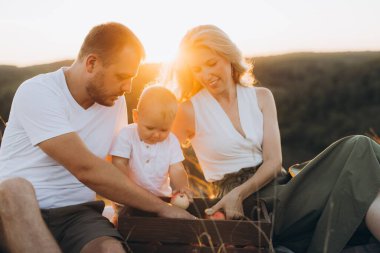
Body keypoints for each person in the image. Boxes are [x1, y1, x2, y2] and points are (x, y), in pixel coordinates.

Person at [166, 24, 380, 253]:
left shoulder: (261, 97)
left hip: (280, 186)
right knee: (362, 149)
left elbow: (273, 161)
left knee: (364, 170)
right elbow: (164, 155)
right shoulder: (189, 110)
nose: (206, 75)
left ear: (227, 56)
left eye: (211, 63)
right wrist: (178, 190)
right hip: (248, 205)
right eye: (197, 69)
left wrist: (240, 192)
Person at [0, 22, 194, 253]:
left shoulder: (114, 102)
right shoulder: (38, 91)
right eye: (122, 76)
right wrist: (162, 208)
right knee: (14, 188)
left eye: (132, 78)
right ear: (91, 63)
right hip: (17, 209)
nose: (128, 87)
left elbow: (116, 165)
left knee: (109, 249)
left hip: (78, 215)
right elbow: (85, 168)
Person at [110, 85, 193, 217]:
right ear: (136, 117)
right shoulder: (127, 135)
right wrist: (128, 189)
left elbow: (177, 168)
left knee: (158, 229)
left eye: (163, 130)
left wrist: (182, 187)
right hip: (128, 199)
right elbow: (119, 163)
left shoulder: (171, 141)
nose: (156, 135)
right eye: (150, 128)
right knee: (127, 224)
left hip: (160, 199)